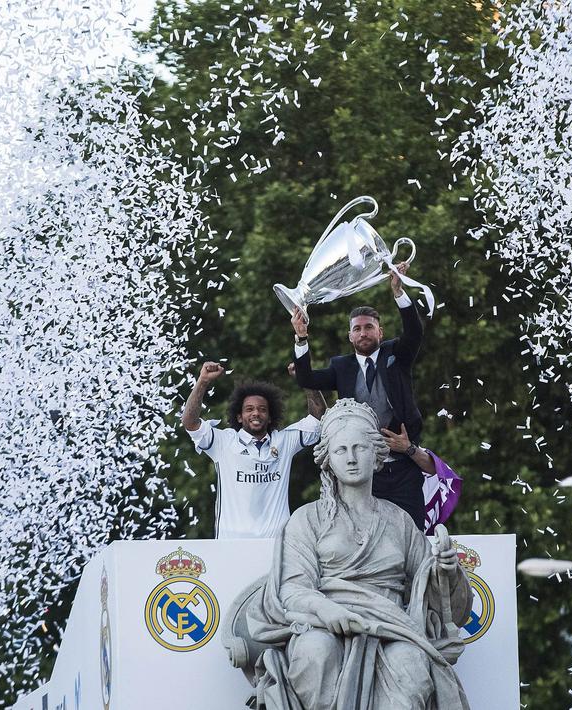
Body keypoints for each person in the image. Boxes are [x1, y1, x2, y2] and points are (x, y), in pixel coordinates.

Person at [230, 399, 471, 710]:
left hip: (390, 626)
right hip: (324, 623)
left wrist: (447, 571)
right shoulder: (307, 519)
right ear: (328, 459)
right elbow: (291, 589)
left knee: (411, 662)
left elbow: (433, 596)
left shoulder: (400, 521)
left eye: (360, 448)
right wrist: (327, 611)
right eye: (341, 450)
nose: (352, 458)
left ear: (377, 455)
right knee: (315, 652)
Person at [290, 263, 431, 528]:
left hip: (403, 466)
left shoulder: (396, 355)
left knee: (412, 534)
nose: (363, 333)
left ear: (380, 332)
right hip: (363, 473)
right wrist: (301, 338)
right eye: (357, 329)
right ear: (350, 336)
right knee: (363, 534)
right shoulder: (341, 367)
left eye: (369, 327)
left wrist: (398, 292)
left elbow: (415, 333)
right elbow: (306, 378)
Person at [182, 361, 326, 539]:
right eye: (249, 409)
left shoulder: (284, 441)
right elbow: (190, 422)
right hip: (232, 545)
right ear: (239, 417)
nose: (256, 413)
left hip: (276, 545)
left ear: (270, 416)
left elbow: (318, 417)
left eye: (262, 409)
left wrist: (306, 378)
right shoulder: (224, 442)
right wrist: (203, 381)